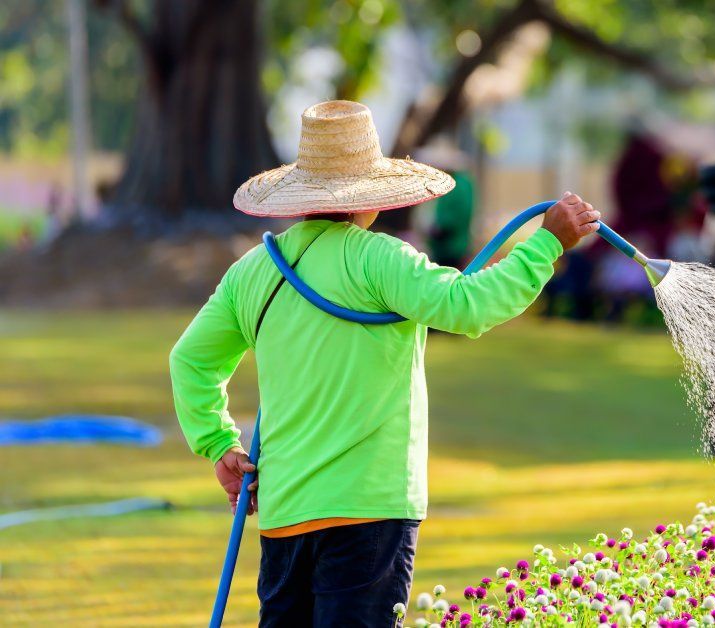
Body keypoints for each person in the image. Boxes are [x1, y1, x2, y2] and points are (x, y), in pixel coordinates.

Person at [168, 100, 600, 626]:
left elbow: (190, 361)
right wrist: (547, 245)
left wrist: (219, 444)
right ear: (370, 195)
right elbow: (470, 307)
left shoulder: (253, 271)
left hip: (284, 513)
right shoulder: (381, 259)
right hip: (370, 511)